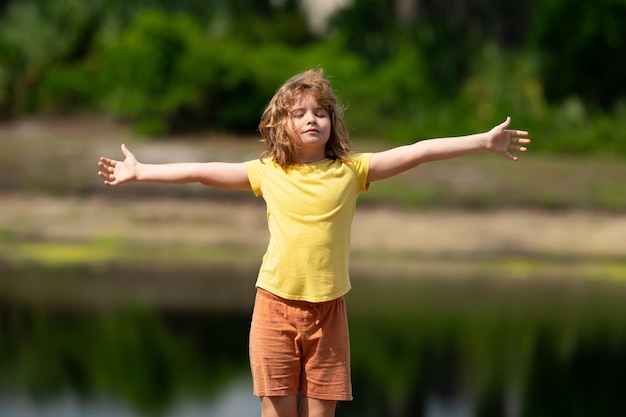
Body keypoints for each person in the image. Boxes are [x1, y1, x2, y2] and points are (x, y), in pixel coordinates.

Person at [97, 68, 530, 417]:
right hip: (274, 306)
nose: (311, 119)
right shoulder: (267, 170)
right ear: (281, 124)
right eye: (300, 112)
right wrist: (142, 171)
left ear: (332, 122)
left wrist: (482, 141)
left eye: (320, 112)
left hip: (328, 310)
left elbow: (417, 150)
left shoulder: (352, 170)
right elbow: (203, 170)